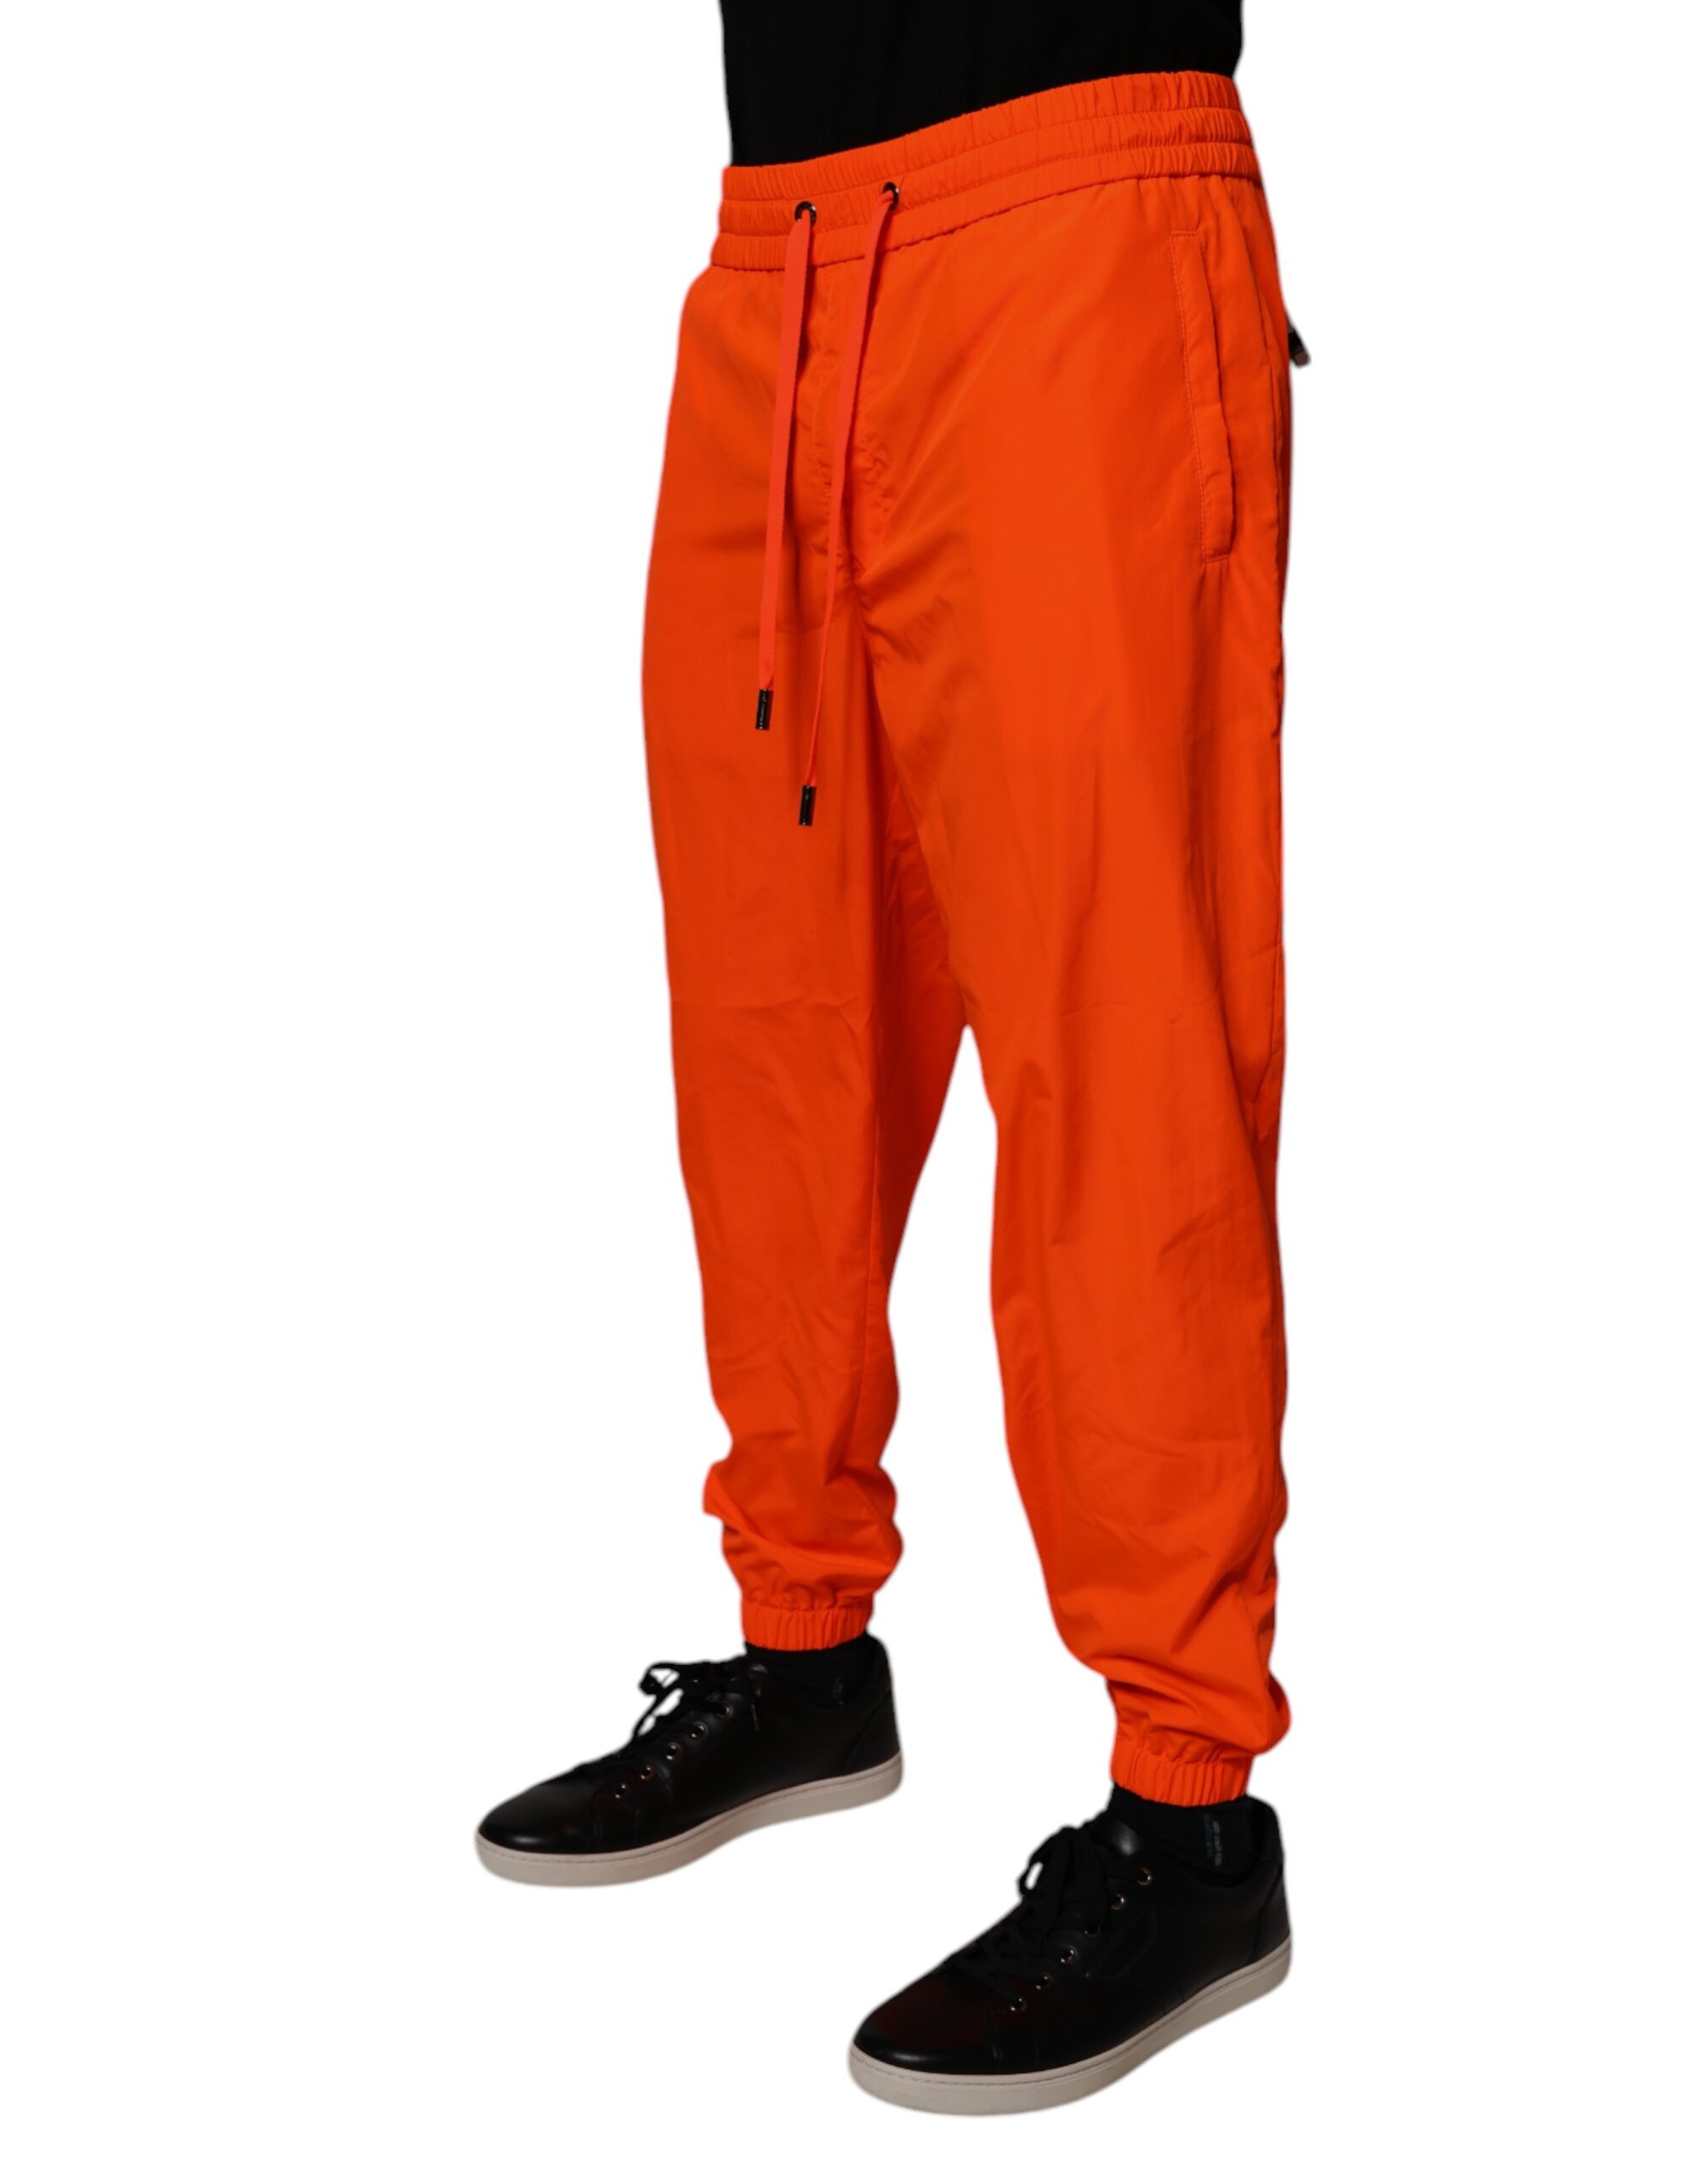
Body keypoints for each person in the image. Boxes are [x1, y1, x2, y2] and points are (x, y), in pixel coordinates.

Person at [477, 0, 1302, 2114]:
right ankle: (800, 1650)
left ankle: (1187, 1819)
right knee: (771, 1008)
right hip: (778, 252)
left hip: (1079, 203)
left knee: (1116, 1047)